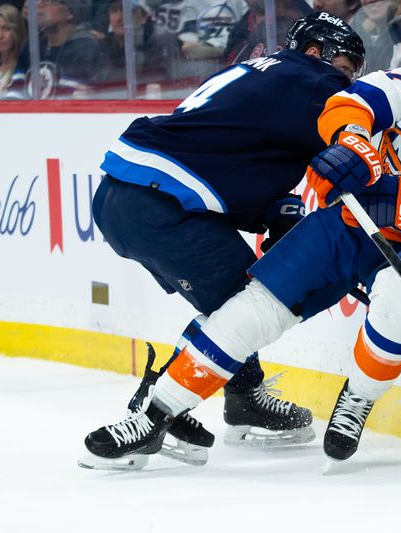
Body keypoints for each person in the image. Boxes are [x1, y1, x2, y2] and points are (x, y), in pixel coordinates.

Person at [82, 22, 401, 465]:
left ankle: (358, 400)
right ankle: (156, 413)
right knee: (257, 304)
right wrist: (353, 141)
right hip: (352, 221)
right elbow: (354, 101)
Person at [77, 11, 366, 470]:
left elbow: (245, 158)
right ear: (315, 53)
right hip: (158, 203)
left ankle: (241, 398)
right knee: (248, 305)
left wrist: (278, 216)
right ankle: (153, 413)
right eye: (347, 68)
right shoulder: (312, 79)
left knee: (237, 295)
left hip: (127, 196)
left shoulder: (263, 76)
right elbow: (356, 139)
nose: (349, 84)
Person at [5, 0, 104, 99]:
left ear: (69, 12)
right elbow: (15, 92)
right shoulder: (33, 44)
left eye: (51, 1)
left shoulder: (83, 45)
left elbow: (67, 98)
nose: (39, 4)